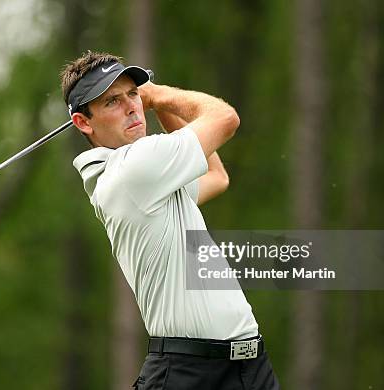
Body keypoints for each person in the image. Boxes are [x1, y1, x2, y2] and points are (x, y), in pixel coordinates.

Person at [60, 51, 279, 390]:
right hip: (189, 373)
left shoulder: (153, 176)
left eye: (133, 93)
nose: (132, 106)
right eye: (112, 102)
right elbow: (226, 118)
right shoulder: (132, 169)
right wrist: (158, 94)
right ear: (83, 122)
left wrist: (157, 106)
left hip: (249, 367)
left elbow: (217, 176)